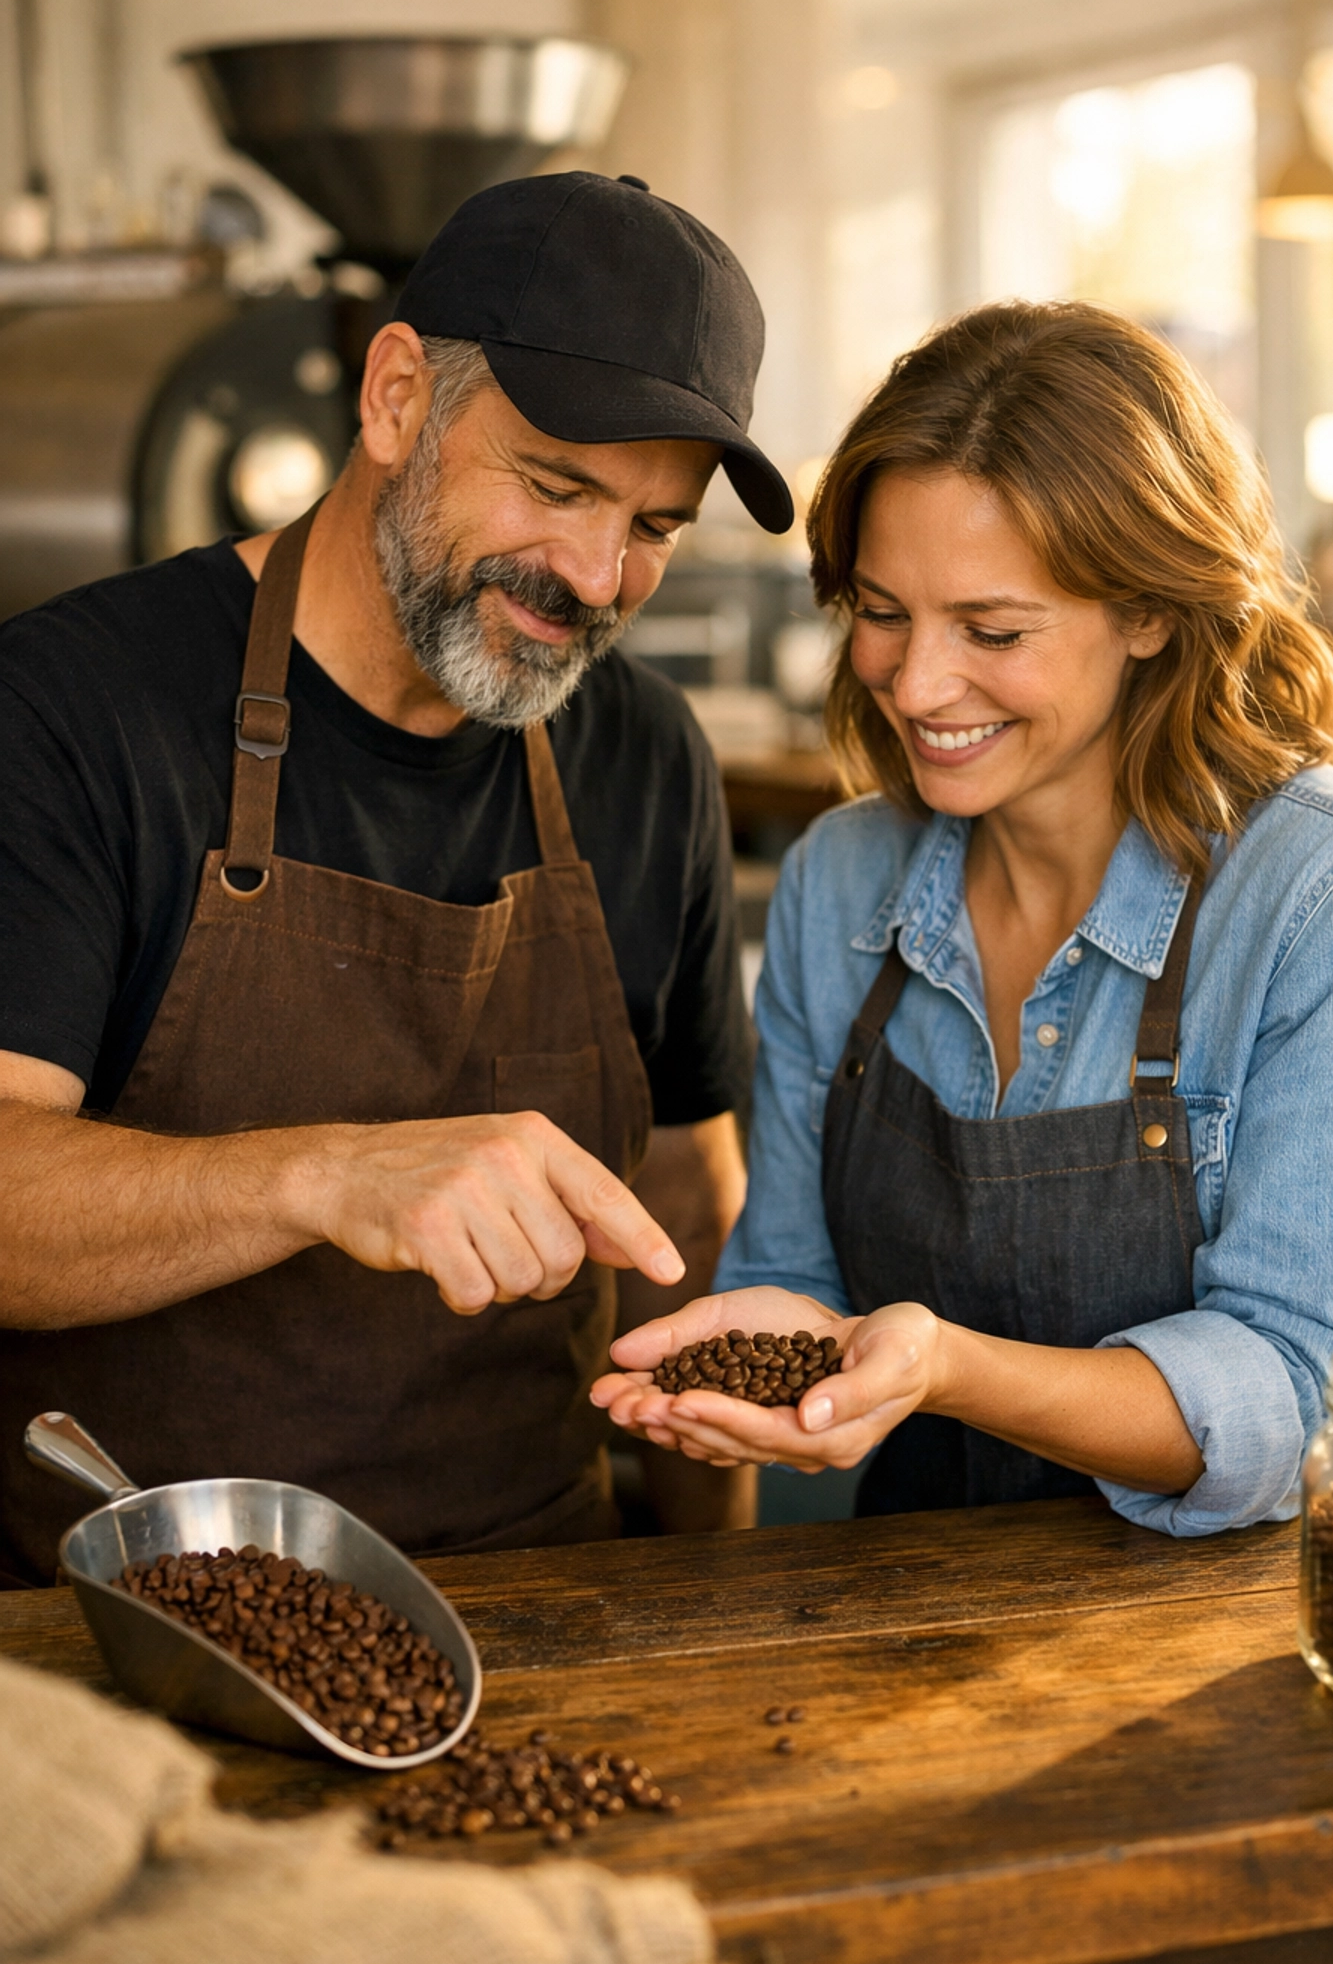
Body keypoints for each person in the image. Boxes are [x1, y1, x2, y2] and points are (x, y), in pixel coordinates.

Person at [0, 171, 796, 1586]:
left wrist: (710, 1594)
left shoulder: (645, 756)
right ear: (394, 399)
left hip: (548, 1593)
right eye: (554, 485)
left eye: (656, 527)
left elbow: (683, 1217)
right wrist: (329, 1174)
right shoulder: (71, 709)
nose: (596, 575)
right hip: (118, 1623)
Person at [595, 301, 1333, 1535]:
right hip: (905, 1615)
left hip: (1227, 1650)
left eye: (993, 630)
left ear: (1150, 612)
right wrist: (766, 1358)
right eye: (883, 611)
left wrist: (949, 1367)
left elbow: (1307, 1399)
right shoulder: (842, 881)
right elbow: (795, 1280)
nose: (916, 685)